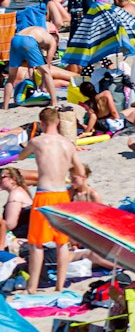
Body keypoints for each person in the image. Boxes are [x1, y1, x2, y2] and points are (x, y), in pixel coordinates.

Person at [21, 107, 86, 293]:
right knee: (61, 241)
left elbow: (20, 156)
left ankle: (32, 287)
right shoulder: (67, 144)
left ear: (41, 123)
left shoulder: (37, 141)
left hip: (44, 194)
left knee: (36, 243)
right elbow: (80, 171)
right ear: (58, 122)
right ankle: (59, 285)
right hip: (62, 195)